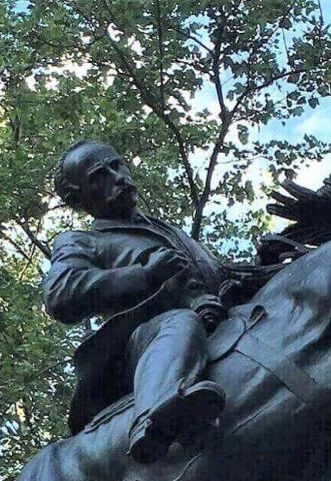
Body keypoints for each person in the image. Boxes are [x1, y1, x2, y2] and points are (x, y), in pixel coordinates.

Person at [44, 139, 230, 462]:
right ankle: (156, 415)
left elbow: (222, 276)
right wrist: (144, 275)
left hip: (214, 322)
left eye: (118, 165)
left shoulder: (169, 231)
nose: (118, 176)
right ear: (79, 198)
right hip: (143, 345)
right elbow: (61, 291)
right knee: (179, 322)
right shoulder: (83, 241)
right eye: (100, 175)